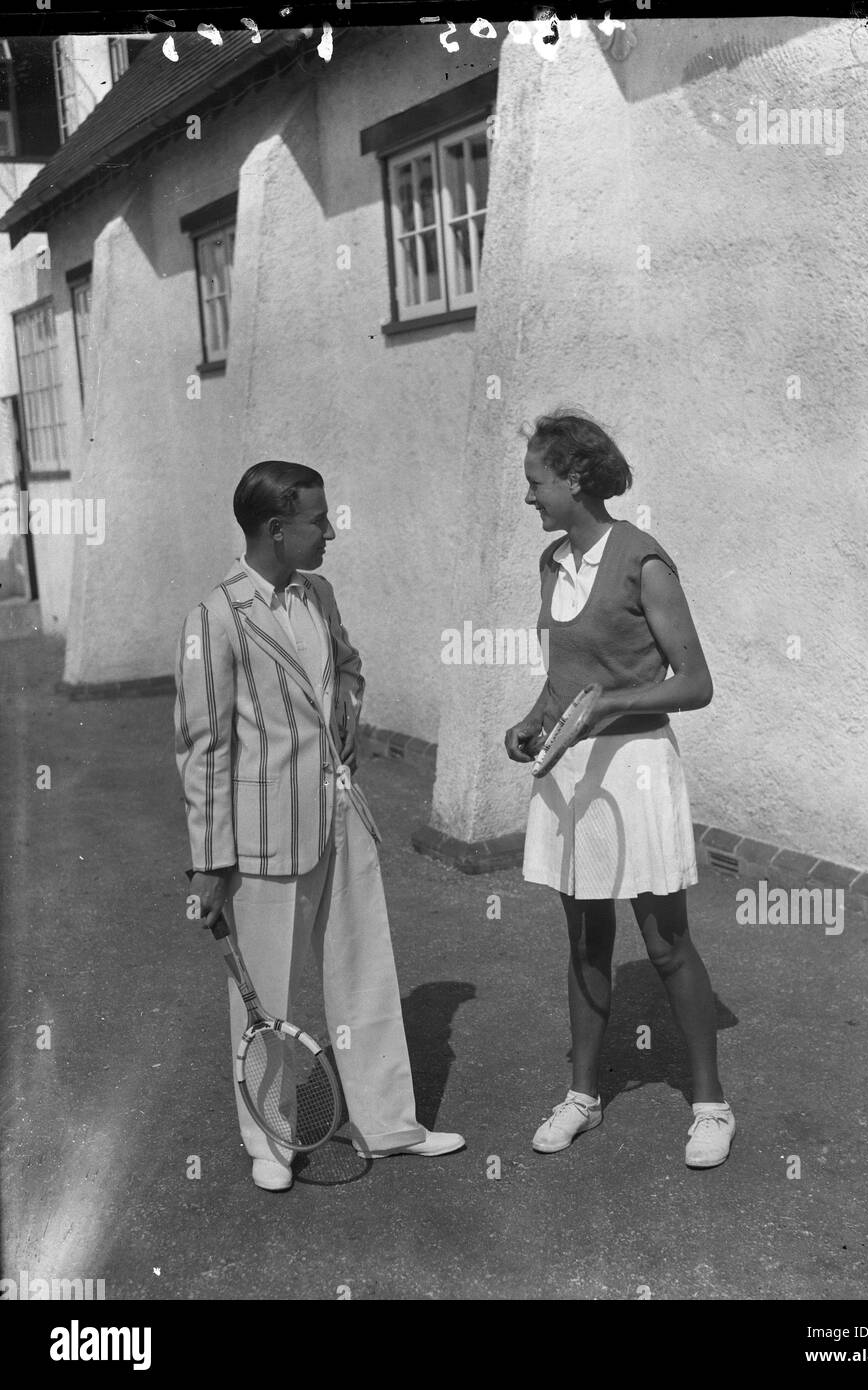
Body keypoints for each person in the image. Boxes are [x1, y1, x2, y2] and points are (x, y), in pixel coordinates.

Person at [175, 460, 464, 1190]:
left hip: (342, 817)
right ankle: (269, 1143)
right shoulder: (216, 615)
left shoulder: (320, 593)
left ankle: (388, 1124)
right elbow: (203, 748)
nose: (331, 530)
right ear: (277, 529)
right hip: (263, 835)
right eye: (318, 520)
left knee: (367, 969)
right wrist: (211, 861)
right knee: (264, 996)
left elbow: (349, 667)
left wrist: (347, 725)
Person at [504, 410, 734, 1168]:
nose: (529, 496)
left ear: (574, 479)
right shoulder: (550, 562)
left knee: (665, 942)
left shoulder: (643, 559)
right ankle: (581, 1096)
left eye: (537, 482)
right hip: (573, 775)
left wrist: (612, 705)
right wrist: (533, 722)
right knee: (584, 938)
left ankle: (709, 1104)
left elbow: (695, 683)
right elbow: (565, 676)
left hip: (634, 770)